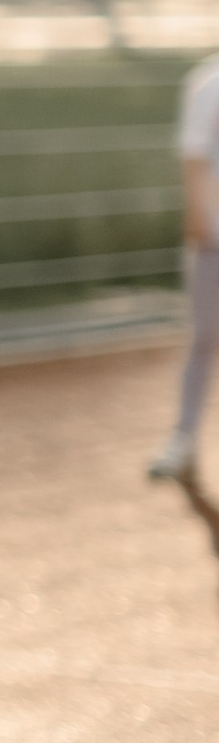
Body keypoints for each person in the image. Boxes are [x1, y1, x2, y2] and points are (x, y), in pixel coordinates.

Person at [147, 48, 219, 485]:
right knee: (203, 339)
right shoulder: (208, 83)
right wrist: (198, 221)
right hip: (214, 241)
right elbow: (193, 159)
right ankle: (184, 437)